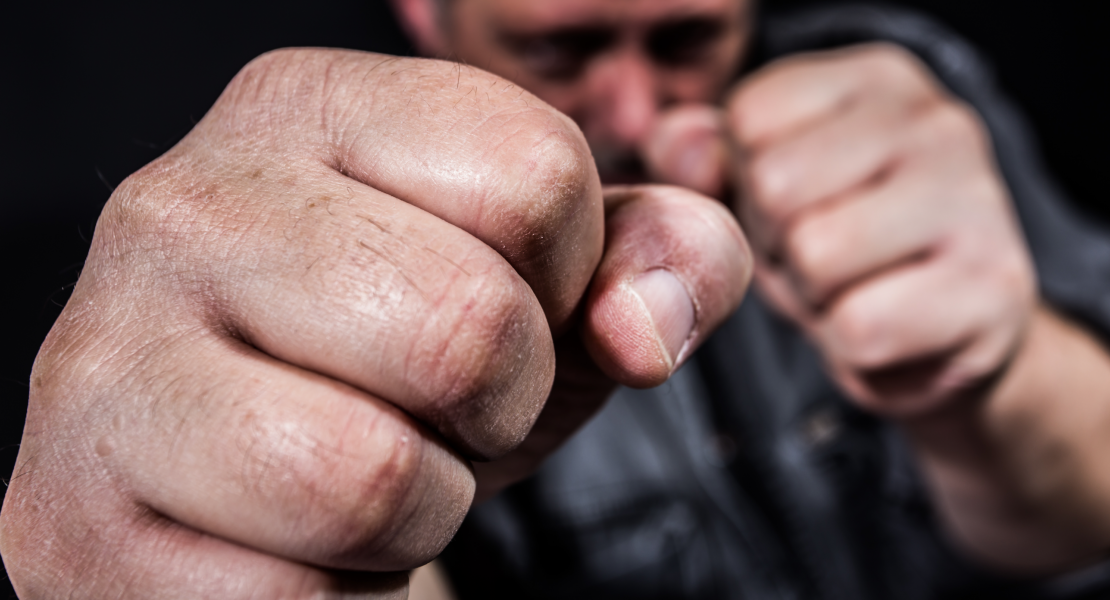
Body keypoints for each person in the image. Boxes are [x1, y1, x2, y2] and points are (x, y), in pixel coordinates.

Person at [2, 0, 1110, 599]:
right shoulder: (332, 215)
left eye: (685, 41)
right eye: (561, 49)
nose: (632, 111)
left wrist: (990, 369)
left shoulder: (900, 96)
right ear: (430, 16)